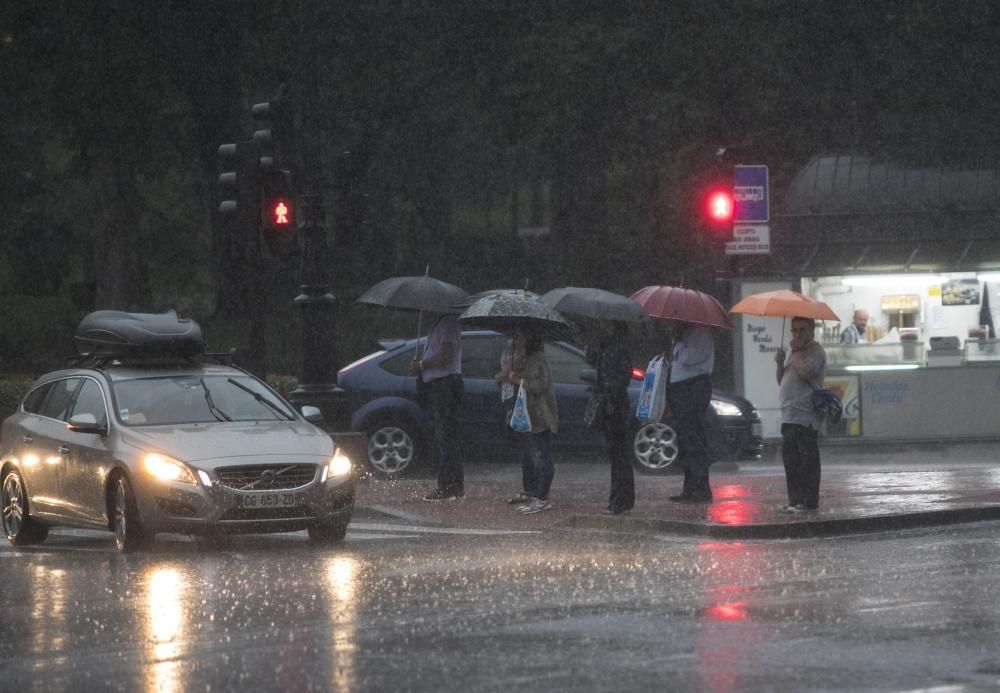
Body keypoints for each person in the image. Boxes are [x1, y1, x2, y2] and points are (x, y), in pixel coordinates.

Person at [409, 311, 464, 501]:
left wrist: (423, 365)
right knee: (444, 436)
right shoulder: (435, 326)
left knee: (445, 436)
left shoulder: (447, 324)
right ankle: (453, 485)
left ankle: (448, 486)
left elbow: (446, 356)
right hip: (436, 386)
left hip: (444, 385)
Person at [774, 316, 827, 512]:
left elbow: (806, 372)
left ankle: (809, 501)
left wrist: (795, 351)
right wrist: (779, 363)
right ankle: (794, 500)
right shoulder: (794, 353)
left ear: (811, 331)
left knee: (807, 461)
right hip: (788, 414)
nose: (797, 334)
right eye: (794, 330)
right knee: (791, 461)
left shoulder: (816, 352)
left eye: (802, 330)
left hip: (806, 416)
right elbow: (782, 380)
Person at [507, 331, 558, 514]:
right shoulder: (530, 359)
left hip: (541, 415)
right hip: (533, 415)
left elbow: (539, 385)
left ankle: (542, 497)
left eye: (521, 337)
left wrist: (518, 380)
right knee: (538, 455)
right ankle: (538, 495)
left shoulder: (538, 359)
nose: (518, 341)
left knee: (543, 456)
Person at [665, 320, 715, 503]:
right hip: (680, 388)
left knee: (693, 438)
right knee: (685, 439)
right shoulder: (685, 334)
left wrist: (678, 339)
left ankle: (700, 489)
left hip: (693, 387)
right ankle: (690, 488)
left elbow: (687, 358)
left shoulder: (699, 332)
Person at [588, 322, 634, 515]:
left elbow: (620, 378)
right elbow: (602, 371)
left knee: (619, 454)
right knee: (616, 455)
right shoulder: (607, 346)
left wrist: (611, 399)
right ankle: (618, 499)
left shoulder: (618, 349)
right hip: (610, 403)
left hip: (614, 405)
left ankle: (621, 500)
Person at [494, 332, 531, 504]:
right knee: (520, 441)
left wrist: (500, 376)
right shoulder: (510, 346)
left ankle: (531, 488)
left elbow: (508, 372)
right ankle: (528, 487)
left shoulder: (524, 352)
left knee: (525, 442)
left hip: (518, 398)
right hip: (509, 395)